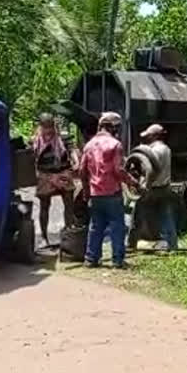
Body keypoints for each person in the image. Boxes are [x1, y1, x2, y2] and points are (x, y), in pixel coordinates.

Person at [79, 112, 137, 268]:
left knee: (95, 226)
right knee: (117, 226)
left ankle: (91, 259)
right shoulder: (115, 145)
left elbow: (81, 171)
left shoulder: (89, 145)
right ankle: (118, 260)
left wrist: (86, 192)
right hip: (112, 193)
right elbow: (119, 170)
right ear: (113, 127)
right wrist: (132, 181)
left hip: (95, 194)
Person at [32, 113, 76, 245]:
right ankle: (44, 237)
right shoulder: (35, 141)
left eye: (50, 126)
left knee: (69, 203)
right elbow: (30, 157)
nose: (48, 130)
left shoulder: (63, 138)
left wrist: (76, 160)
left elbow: (72, 149)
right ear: (41, 126)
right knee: (44, 206)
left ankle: (69, 232)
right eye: (45, 127)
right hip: (45, 174)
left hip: (63, 172)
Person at [140, 124, 177, 252]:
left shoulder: (154, 151)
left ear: (154, 136)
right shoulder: (166, 149)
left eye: (149, 135)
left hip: (153, 188)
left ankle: (131, 242)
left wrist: (146, 185)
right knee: (166, 216)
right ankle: (172, 244)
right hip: (165, 186)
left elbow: (150, 170)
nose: (147, 138)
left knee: (138, 214)